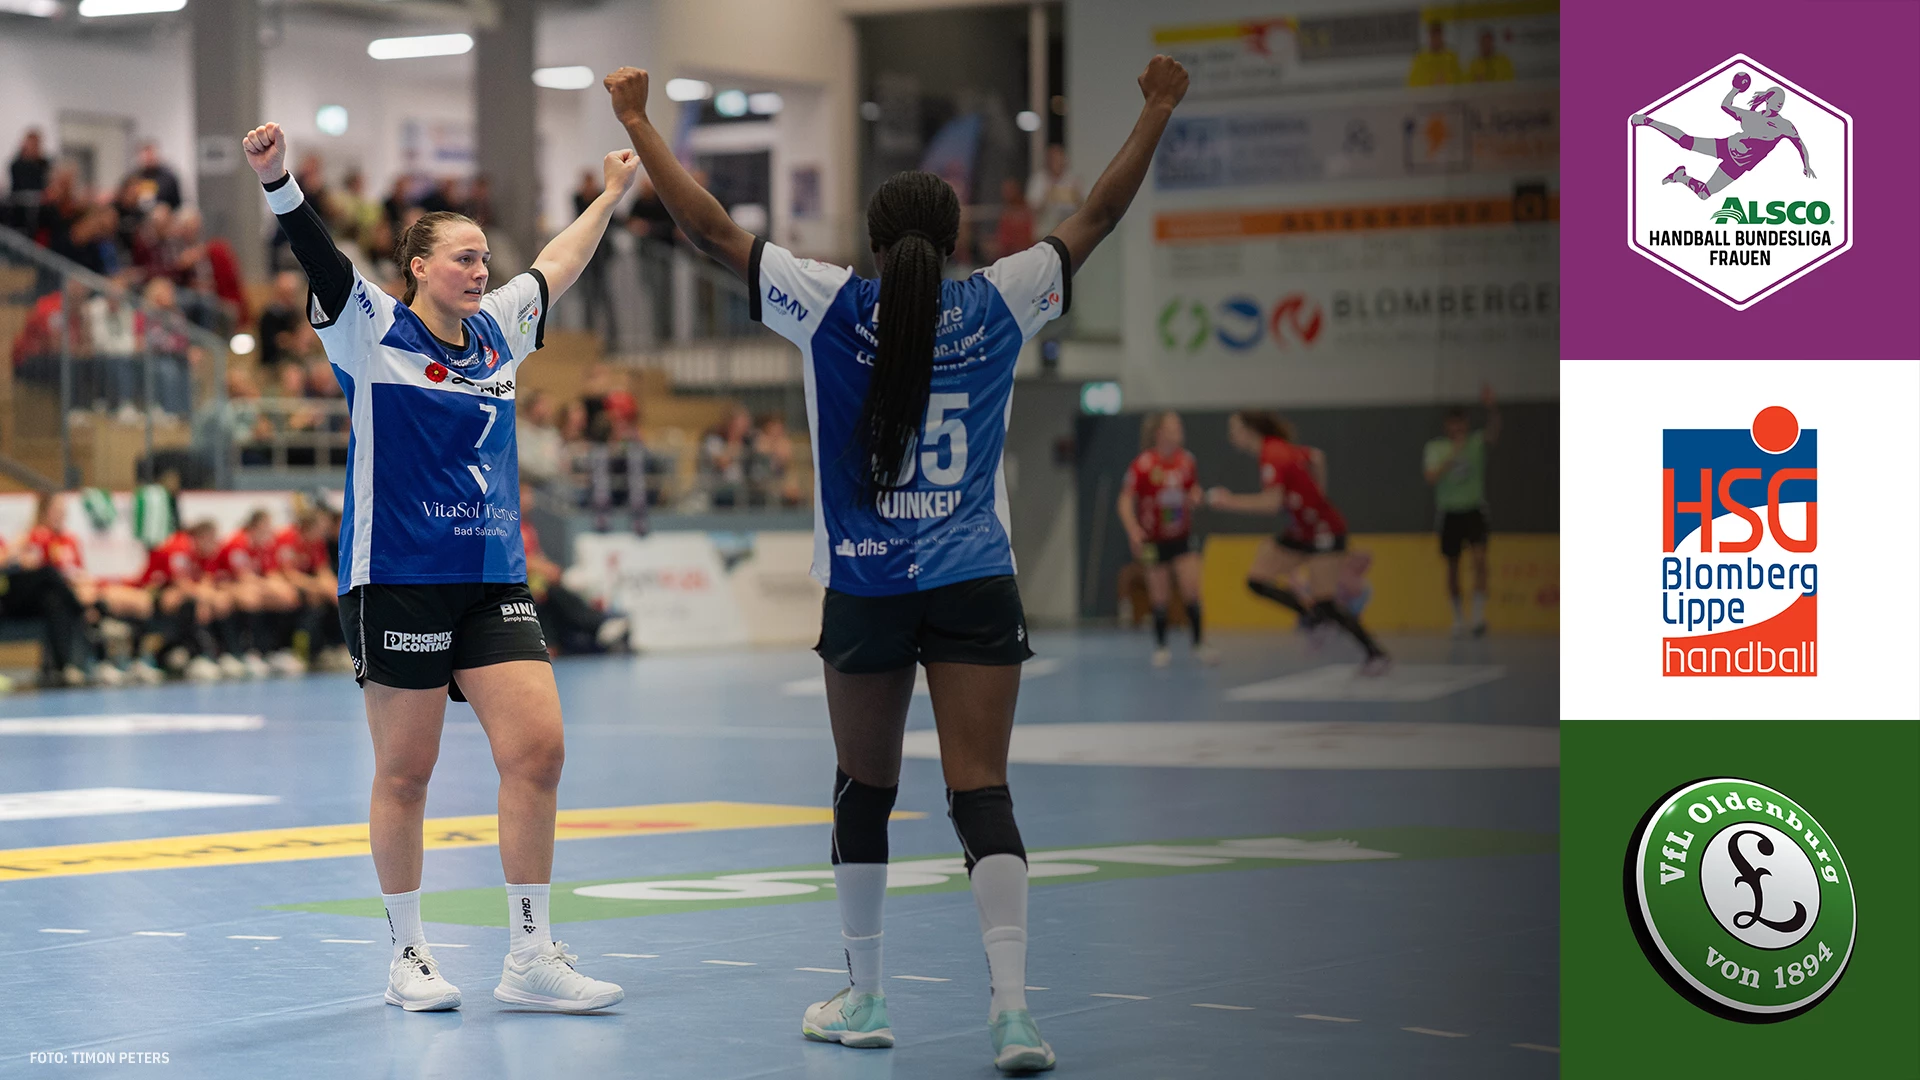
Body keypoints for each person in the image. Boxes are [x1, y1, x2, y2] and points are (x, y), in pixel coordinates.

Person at [605, 52, 1189, 1073]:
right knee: (982, 793)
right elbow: (1098, 213)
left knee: (862, 791)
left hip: (867, 585)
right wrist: (1156, 110)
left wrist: (641, 122)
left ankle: (866, 997)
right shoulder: (1004, 300)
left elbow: (709, 230)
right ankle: (1014, 1014)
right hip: (976, 580)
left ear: (874, 244)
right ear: (958, 241)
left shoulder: (827, 303)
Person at [243, 117, 635, 1013]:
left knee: (538, 750)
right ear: (419, 267)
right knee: (406, 773)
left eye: (484, 257)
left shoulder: (499, 332)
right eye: (463, 258)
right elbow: (321, 260)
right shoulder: (370, 327)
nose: (481, 270)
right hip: (399, 577)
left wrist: (610, 196)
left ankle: (530, 955)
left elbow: (559, 263)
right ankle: (408, 956)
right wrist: (278, 182)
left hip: (493, 576)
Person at [1208, 411, 1390, 674]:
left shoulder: (1273, 453)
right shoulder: (1280, 449)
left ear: (1250, 430)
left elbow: (1271, 504)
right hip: (1301, 531)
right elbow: (1317, 457)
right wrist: (1315, 496)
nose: (1231, 436)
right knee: (1257, 580)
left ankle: (1375, 653)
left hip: (1325, 531)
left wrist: (1228, 501)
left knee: (1326, 601)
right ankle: (1313, 617)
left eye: (1234, 430)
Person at [1117, 411, 1214, 667]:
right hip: (1153, 540)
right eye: (1174, 426)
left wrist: (1196, 496)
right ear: (1160, 432)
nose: (1180, 430)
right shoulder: (1143, 464)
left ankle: (1199, 644)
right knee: (1159, 596)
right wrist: (1133, 529)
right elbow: (1125, 500)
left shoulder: (1187, 461)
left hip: (1182, 537)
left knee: (1192, 589)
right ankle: (1161, 647)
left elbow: (1193, 489)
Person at [1632, 80, 1815, 199]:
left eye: (1783, 100)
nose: (1780, 102)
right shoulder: (1750, 116)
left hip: (1738, 165)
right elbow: (1725, 105)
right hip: (1726, 146)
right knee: (1686, 142)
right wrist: (1735, 89)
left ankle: (1680, 176)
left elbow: (1800, 145)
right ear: (1768, 99)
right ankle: (1648, 121)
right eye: (1777, 98)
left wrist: (1806, 164)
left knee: (1704, 195)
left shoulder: (1785, 125)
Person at [1423, 384, 1500, 637]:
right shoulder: (1436, 448)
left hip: (1473, 509)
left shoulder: (1475, 443)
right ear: (1447, 426)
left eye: (1461, 424)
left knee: (1480, 560)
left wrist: (1492, 408)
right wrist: (1453, 454)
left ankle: (1478, 617)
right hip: (1449, 512)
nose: (1457, 429)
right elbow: (1431, 477)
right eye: (1453, 424)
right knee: (1453, 567)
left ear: (1466, 425)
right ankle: (1458, 618)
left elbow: (1493, 432)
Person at [1024, 144, 1083, 238]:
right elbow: (1032, 207)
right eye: (1054, 159)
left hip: (1069, 232)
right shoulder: (1039, 180)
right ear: (1048, 161)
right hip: (1045, 232)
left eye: (1060, 159)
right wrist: (1047, 193)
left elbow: (1081, 207)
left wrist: (1077, 196)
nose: (1058, 162)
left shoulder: (1072, 180)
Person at [1406, 22, 1461, 87]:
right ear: (1428, 36)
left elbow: (1460, 81)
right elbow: (1413, 83)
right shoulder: (1420, 59)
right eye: (1433, 35)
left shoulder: (1451, 57)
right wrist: (1431, 83)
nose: (1436, 38)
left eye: (1438, 34)